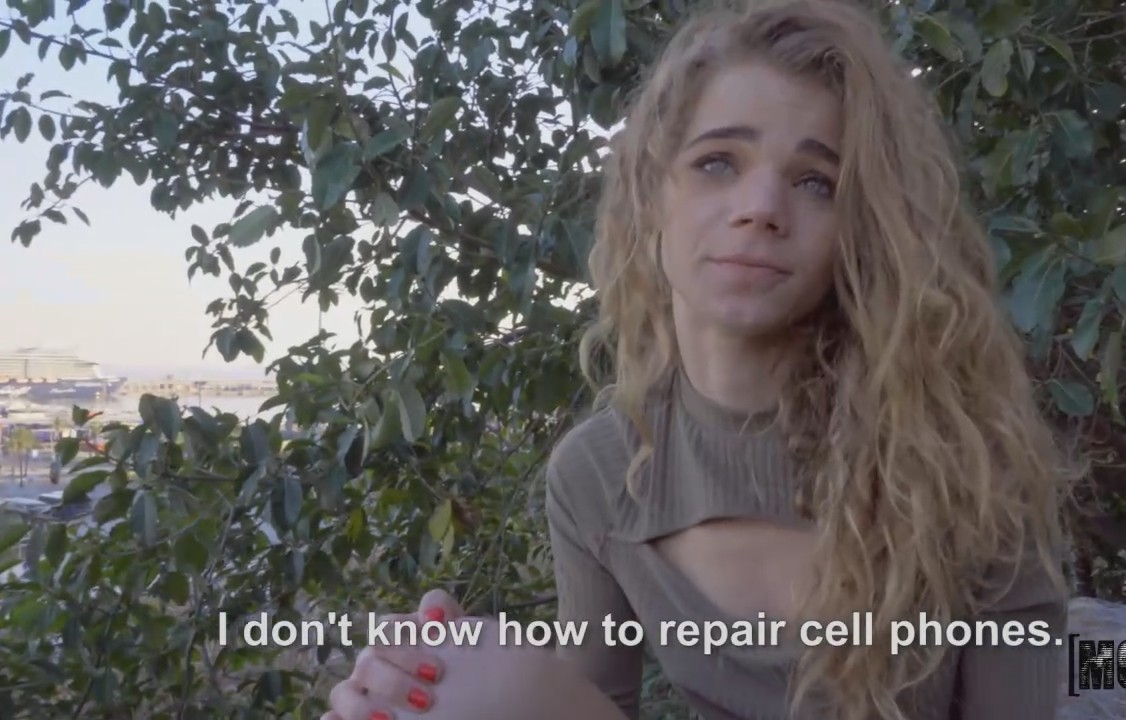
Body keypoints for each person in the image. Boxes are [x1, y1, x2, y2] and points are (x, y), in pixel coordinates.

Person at [321, 0, 1074, 718]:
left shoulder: (965, 464)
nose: (761, 207)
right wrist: (446, 684)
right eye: (718, 162)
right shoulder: (597, 476)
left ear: (859, 229)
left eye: (816, 181)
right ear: (652, 193)